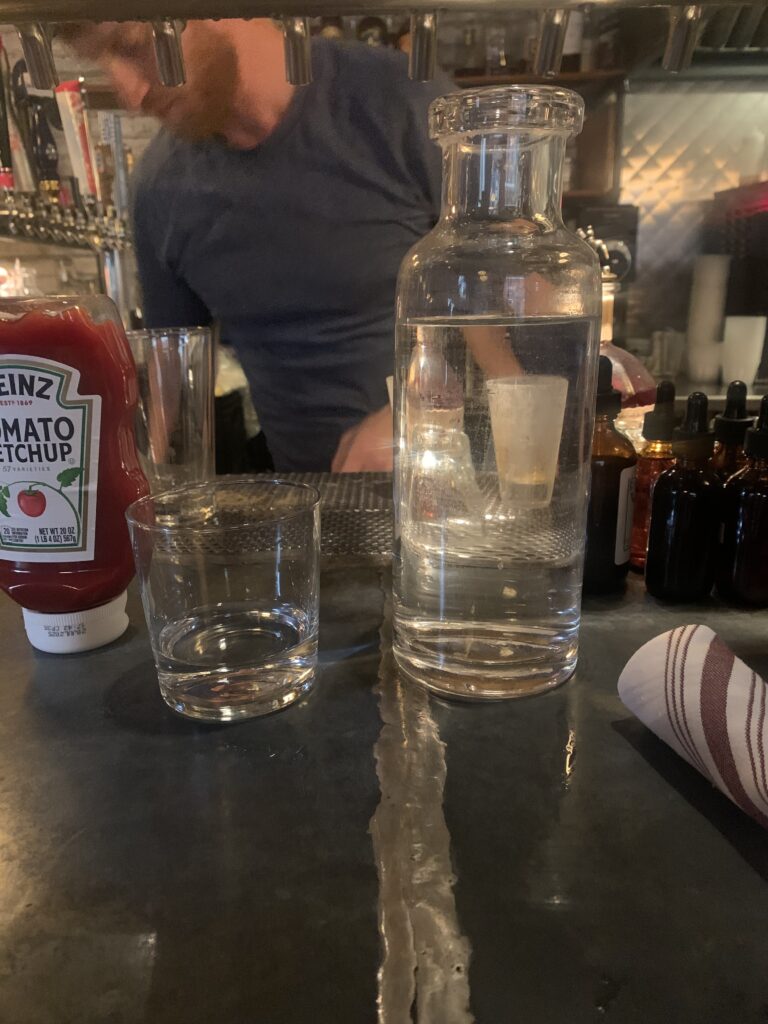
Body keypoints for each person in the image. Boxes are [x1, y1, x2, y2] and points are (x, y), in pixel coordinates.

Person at [64, 19, 448, 472]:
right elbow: (172, 398)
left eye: (132, 45)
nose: (129, 94)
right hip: (304, 509)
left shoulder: (403, 99)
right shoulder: (161, 190)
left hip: (454, 496)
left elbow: (519, 342)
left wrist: (420, 418)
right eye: (101, 62)